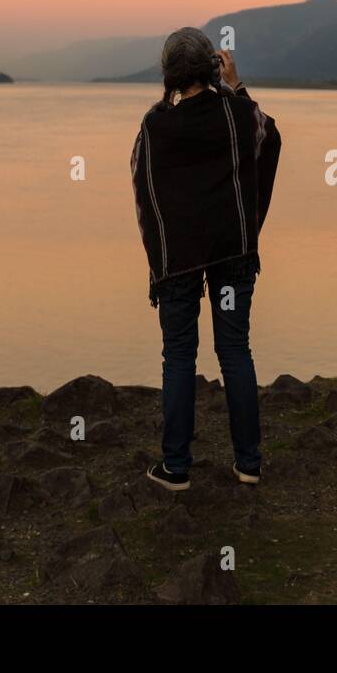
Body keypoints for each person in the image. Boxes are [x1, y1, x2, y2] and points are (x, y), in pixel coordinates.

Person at [130, 27, 282, 491]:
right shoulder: (236, 114)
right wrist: (236, 86)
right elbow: (269, 139)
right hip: (231, 254)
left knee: (178, 354)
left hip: (177, 259)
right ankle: (248, 464)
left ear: (171, 76)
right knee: (235, 349)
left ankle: (176, 468)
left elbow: (142, 183)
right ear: (212, 69)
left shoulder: (156, 127)